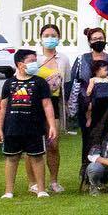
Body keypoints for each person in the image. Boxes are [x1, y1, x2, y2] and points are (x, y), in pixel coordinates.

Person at [0, 50, 57, 199]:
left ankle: (41, 189)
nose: (35, 63)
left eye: (36, 60)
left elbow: (47, 105)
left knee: (37, 158)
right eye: (31, 60)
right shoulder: (9, 83)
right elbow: (2, 107)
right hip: (12, 128)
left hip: (34, 128)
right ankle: (8, 191)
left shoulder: (40, 82)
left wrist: (52, 125)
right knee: (11, 159)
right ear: (20, 64)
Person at [70, 27, 108, 170]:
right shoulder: (82, 60)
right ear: (89, 41)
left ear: (105, 39)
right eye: (95, 39)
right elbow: (75, 82)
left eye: (100, 38)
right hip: (88, 106)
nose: (98, 41)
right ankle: (86, 173)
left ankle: (105, 174)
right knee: (89, 139)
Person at [33, 24, 67, 194]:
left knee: (53, 144)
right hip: (34, 104)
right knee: (34, 144)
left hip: (53, 104)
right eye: (46, 35)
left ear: (59, 38)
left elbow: (67, 85)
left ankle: (54, 180)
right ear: (40, 38)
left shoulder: (63, 59)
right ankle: (33, 182)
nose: (50, 38)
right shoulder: (34, 58)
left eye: (53, 35)